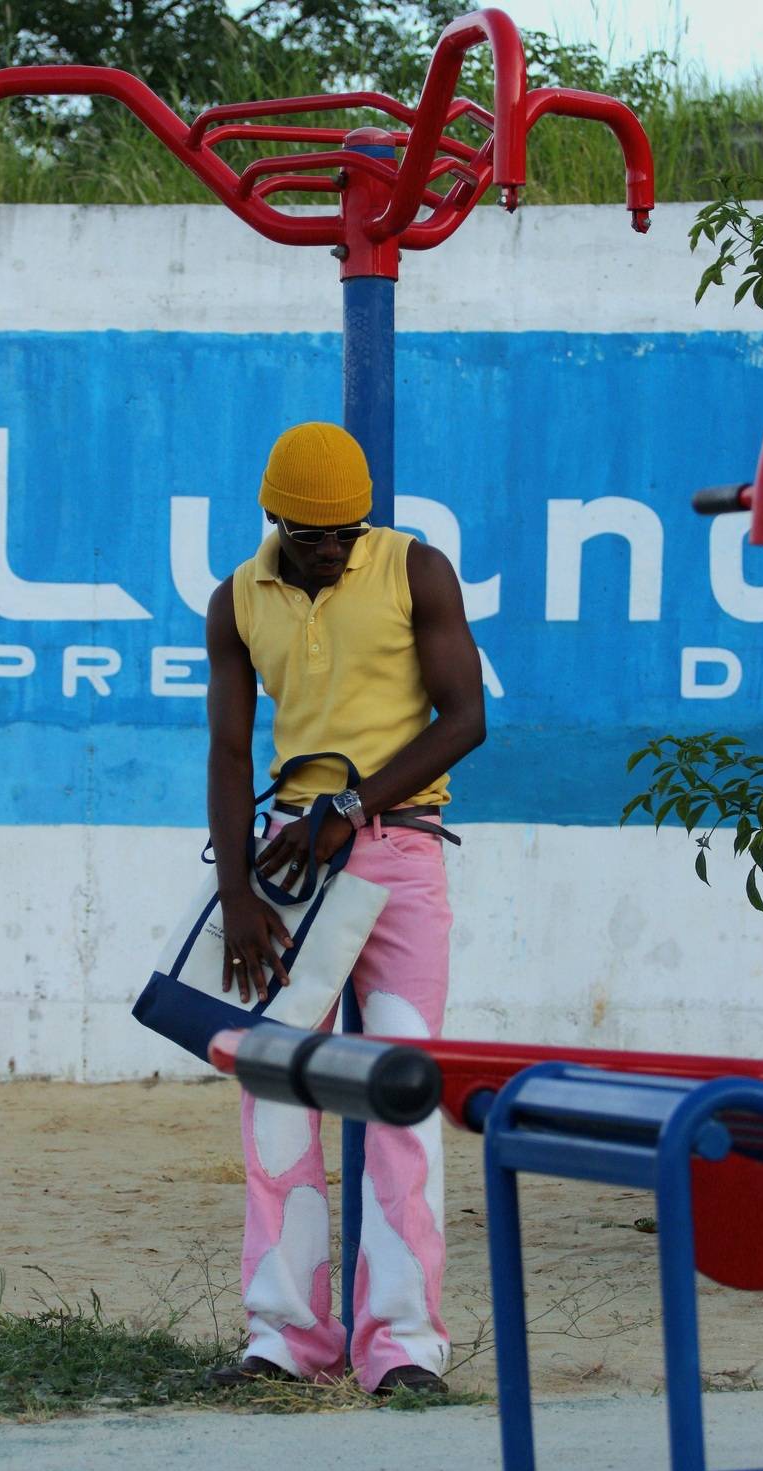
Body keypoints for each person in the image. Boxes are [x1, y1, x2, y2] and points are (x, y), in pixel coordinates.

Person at [204, 420, 486, 1394]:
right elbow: (228, 749)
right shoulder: (237, 599)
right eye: (310, 533)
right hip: (288, 866)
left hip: (399, 848)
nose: (329, 548)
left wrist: (353, 808)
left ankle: (403, 1349)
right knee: (275, 1094)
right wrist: (236, 892)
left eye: (344, 532)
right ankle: (287, 1340)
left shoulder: (416, 570)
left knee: (400, 1093)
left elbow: (466, 718)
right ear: (272, 517)